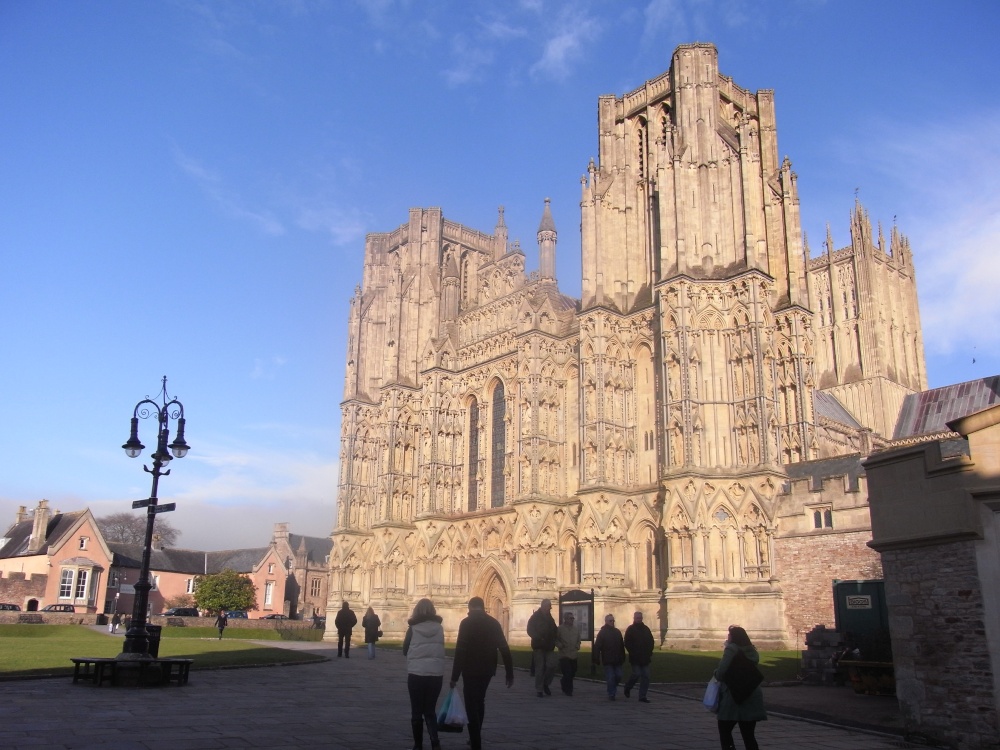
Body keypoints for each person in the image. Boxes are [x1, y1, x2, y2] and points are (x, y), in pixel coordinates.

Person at [450, 597, 514, 750]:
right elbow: (504, 648)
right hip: (487, 669)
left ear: (471, 607)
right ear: (483, 607)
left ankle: (475, 741)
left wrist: (454, 677)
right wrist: (509, 673)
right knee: (480, 701)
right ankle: (475, 735)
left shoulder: (466, 623)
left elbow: (460, 651)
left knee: (471, 704)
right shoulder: (493, 623)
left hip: (470, 669)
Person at [714, 625, 767, 750]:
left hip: (733, 694)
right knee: (748, 735)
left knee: (725, 730)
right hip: (751, 692)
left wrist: (715, 673)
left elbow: (721, 672)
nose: (728, 637)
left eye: (729, 635)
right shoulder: (752, 651)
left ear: (733, 637)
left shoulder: (731, 649)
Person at [402, 598, 445, 750]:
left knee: (416, 711)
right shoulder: (439, 628)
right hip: (435, 674)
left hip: (416, 673)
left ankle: (418, 745)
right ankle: (435, 742)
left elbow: (405, 650)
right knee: (430, 710)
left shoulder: (413, 628)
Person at [526, 598, 558, 697]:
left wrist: (555, 639)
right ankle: (539, 689)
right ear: (544, 606)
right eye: (549, 606)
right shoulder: (535, 617)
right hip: (539, 646)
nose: (550, 608)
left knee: (551, 665)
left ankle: (546, 683)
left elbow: (554, 629)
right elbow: (530, 629)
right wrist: (538, 638)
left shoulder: (550, 617)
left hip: (549, 646)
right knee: (539, 668)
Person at [623, 610, 655, 703]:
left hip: (645, 657)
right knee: (636, 674)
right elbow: (627, 642)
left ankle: (642, 696)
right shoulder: (631, 629)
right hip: (635, 657)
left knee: (646, 676)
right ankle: (628, 687)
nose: (639, 619)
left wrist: (649, 652)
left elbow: (651, 641)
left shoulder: (646, 629)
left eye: (640, 618)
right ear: (634, 618)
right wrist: (632, 652)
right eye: (637, 618)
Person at [592, 613, 625, 700]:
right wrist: (596, 658)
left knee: (619, 675)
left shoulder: (617, 632)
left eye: (613, 620)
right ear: (606, 621)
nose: (612, 622)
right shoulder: (602, 632)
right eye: (610, 620)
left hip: (617, 659)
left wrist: (623, 656)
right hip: (608, 659)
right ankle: (611, 694)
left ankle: (612, 687)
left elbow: (621, 645)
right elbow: (597, 646)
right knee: (610, 677)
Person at [555, 610, 581, 696]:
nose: (572, 620)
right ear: (565, 619)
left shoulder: (576, 629)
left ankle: (563, 681)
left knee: (573, 672)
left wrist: (577, 645)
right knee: (568, 673)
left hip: (573, 654)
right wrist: (559, 645)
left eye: (573, 618)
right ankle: (569, 690)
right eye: (570, 618)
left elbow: (578, 639)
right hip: (564, 654)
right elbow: (556, 639)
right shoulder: (560, 629)